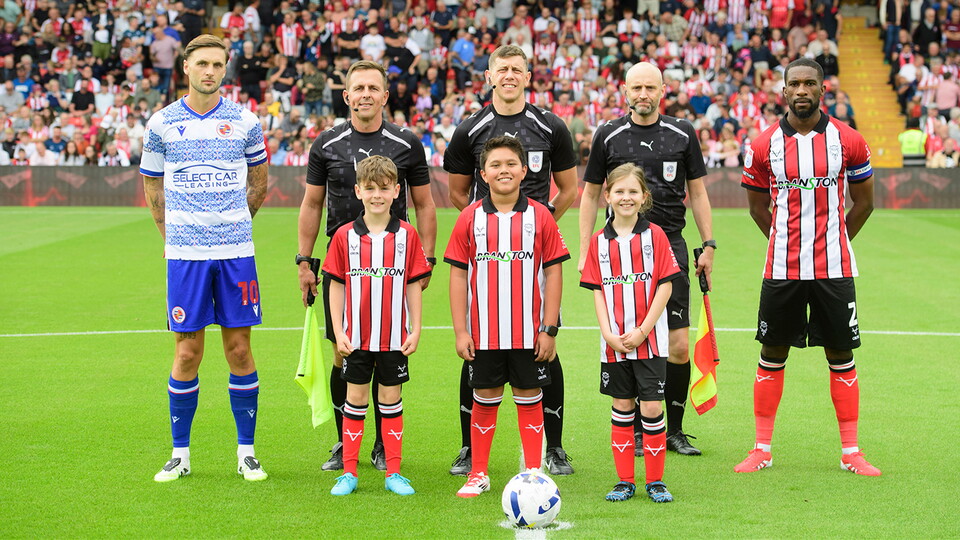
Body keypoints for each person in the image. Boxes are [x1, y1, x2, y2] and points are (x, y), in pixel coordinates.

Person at [736, 58, 880, 477]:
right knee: (771, 352)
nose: (801, 90)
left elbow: (865, 202)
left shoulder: (848, 140)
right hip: (781, 268)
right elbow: (757, 207)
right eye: (794, 83)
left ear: (822, 90)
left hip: (834, 270)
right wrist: (786, 243)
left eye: (809, 83)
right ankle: (761, 448)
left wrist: (833, 242)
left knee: (841, 354)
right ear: (783, 91)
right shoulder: (763, 145)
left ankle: (851, 452)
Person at [443, 44, 579, 476]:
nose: (508, 75)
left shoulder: (550, 125)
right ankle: (469, 449)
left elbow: (570, 189)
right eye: (501, 69)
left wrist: (539, 228)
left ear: (527, 75)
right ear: (488, 75)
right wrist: (486, 226)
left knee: (543, 351)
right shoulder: (470, 128)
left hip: (534, 258)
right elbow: (457, 192)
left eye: (516, 69)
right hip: (487, 253)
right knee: (477, 356)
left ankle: (553, 448)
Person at [141, 34, 269, 483]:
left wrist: (231, 222)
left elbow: (259, 184)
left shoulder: (245, 121)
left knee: (239, 350)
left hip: (235, 254)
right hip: (185, 257)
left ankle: (247, 452)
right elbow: (153, 188)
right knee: (187, 353)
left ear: (225, 69)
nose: (210, 71)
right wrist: (171, 234)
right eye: (202, 64)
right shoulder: (161, 124)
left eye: (218, 64)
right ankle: (180, 454)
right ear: (186, 68)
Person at [298, 59, 437, 473]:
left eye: (373, 88)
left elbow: (426, 204)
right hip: (345, 268)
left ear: (385, 95)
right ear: (346, 95)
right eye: (358, 88)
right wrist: (305, 262)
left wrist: (426, 258)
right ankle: (346, 444)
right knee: (346, 354)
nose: (365, 95)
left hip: (394, 265)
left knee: (389, 355)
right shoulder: (326, 143)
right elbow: (311, 203)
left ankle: (382, 446)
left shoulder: (407, 142)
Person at [579, 62, 715, 457]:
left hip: (669, 244)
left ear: (662, 90)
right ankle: (637, 428)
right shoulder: (608, 134)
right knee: (629, 339)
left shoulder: (682, 133)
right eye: (636, 87)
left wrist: (709, 244)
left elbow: (699, 192)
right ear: (625, 90)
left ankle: (673, 430)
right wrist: (588, 244)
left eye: (650, 87)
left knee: (677, 346)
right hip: (621, 249)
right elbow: (590, 195)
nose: (643, 94)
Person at [446, 136, 570, 498]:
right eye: (496, 165)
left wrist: (549, 328)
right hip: (484, 333)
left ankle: (533, 471)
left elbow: (554, 272)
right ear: (483, 174)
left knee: (530, 396)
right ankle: (479, 472)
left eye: (511, 164)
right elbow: (456, 274)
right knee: (484, 396)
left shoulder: (540, 215)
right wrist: (460, 330)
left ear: (525, 169)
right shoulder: (470, 217)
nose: (504, 170)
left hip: (528, 332)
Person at [322, 155, 432, 497]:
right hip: (356, 338)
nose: (377, 195)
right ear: (357, 191)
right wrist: (339, 331)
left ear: (397, 191)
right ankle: (350, 473)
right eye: (370, 188)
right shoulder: (344, 236)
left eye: (384, 188)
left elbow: (413, 282)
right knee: (355, 400)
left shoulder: (408, 236)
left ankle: (394, 473)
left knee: (391, 400)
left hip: (394, 338)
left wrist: (416, 327)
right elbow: (336, 284)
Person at [580, 163, 681, 504]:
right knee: (622, 405)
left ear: (644, 198)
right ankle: (625, 481)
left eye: (632, 192)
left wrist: (642, 330)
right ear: (606, 196)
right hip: (613, 345)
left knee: (651, 408)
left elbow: (665, 286)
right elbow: (597, 290)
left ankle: (655, 481)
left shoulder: (655, 236)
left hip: (650, 342)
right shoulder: (598, 242)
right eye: (619, 191)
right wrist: (608, 333)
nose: (626, 197)